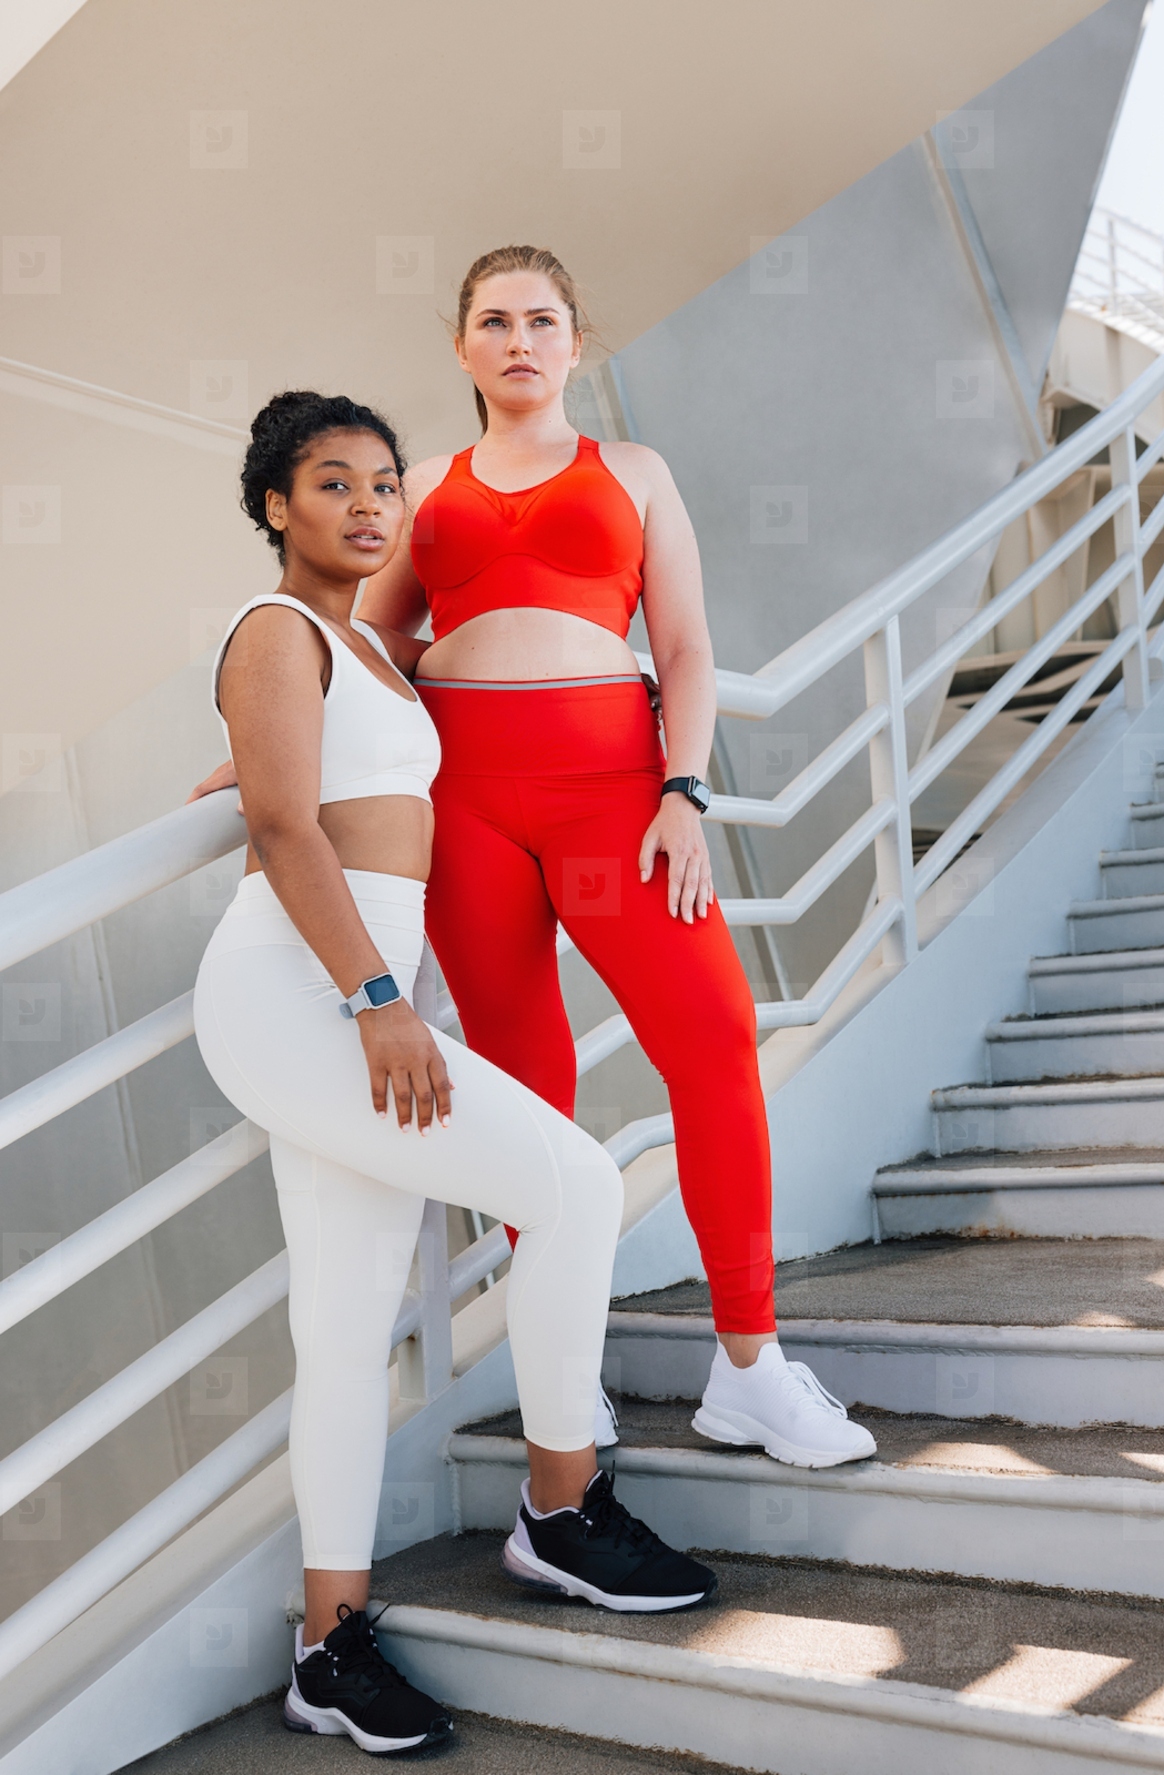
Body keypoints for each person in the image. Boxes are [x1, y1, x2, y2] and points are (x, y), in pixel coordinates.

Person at [192, 391, 717, 1758]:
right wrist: (379, 997)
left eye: (381, 485)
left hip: (354, 990)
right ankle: (559, 1505)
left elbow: (313, 775)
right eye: (329, 483)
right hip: (305, 997)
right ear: (274, 507)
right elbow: (279, 817)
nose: (367, 505)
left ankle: (327, 1643)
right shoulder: (277, 629)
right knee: (583, 1182)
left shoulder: (367, 645)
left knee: (346, 1323)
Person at [359, 244, 877, 1471]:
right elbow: (370, 639)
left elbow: (686, 647)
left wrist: (683, 792)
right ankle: (557, 1367)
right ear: (461, 345)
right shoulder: (420, 483)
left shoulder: (634, 472)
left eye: (542, 320)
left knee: (711, 1038)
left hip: (616, 799)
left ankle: (747, 1361)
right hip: (467, 802)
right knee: (524, 1080)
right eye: (494, 320)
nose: (519, 339)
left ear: (575, 343)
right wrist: (272, 743)